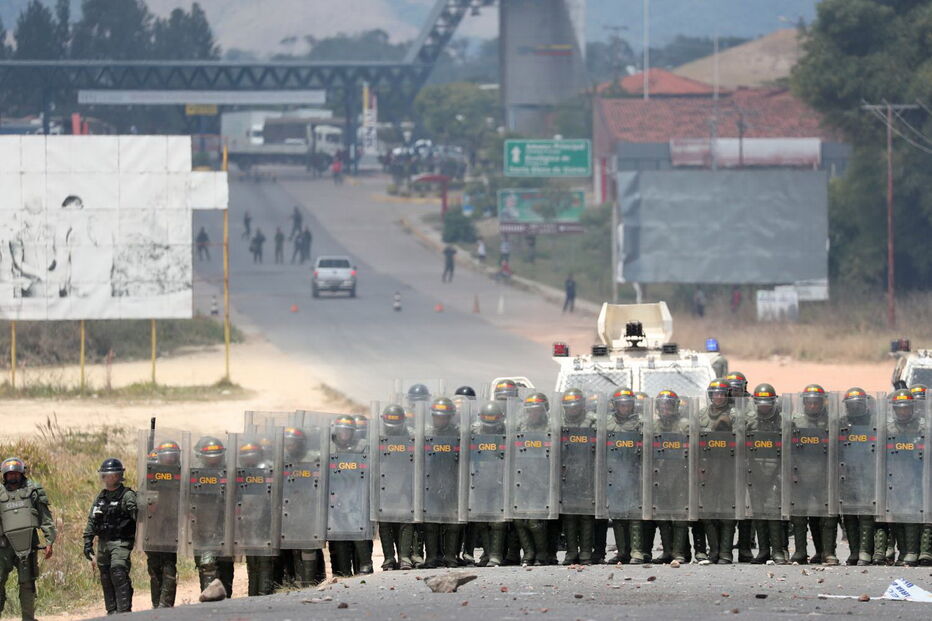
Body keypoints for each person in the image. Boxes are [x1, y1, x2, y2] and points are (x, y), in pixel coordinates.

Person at [0, 457, 56, 621]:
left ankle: (28, 618)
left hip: (28, 545)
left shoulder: (33, 491)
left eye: (16, 473)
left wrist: (49, 541)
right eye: (9, 473)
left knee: (27, 584)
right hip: (3, 546)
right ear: (4, 475)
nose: (13, 476)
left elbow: (45, 518)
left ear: (21, 473)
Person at [789, 384, 838, 565]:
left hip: (825, 475)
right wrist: (792, 471)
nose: (812, 406)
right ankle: (800, 552)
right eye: (809, 402)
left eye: (816, 402)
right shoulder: (795, 422)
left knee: (827, 517)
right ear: (804, 403)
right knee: (799, 516)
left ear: (822, 402)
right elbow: (789, 450)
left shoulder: (832, 422)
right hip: (800, 475)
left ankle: (827, 552)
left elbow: (839, 449)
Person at [84, 458, 137, 614]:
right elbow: (92, 519)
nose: (108, 478)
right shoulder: (101, 497)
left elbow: (138, 517)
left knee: (118, 572)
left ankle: (124, 612)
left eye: (112, 475)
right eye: (105, 475)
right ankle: (111, 612)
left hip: (121, 541)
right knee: (105, 576)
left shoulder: (127, 495)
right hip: (103, 543)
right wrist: (87, 541)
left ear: (119, 476)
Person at [697, 379, 736, 564]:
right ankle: (713, 550)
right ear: (710, 395)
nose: (719, 397)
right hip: (708, 467)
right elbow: (694, 442)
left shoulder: (735, 415)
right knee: (708, 510)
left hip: (730, 467)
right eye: (715, 393)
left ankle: (726, 552)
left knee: (728, 510)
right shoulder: (701, 415)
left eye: (722, 393)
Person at [376, 405, 415, 571]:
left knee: (406, 519)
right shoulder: (377, 435)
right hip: (383, 482)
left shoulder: (411, 435)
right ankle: (389, 558)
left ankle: (404, 556)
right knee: (384, 520)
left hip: (405, 482)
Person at [144, 441, 183, 608]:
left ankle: (166, 605)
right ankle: (156, 605)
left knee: (168, 566)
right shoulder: (151, 474)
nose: (170, 459)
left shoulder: (180, 474)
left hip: (170, 526)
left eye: (173, 455)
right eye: (167, 456)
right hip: (153, 526)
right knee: (154, 567)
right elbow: (142, 499)